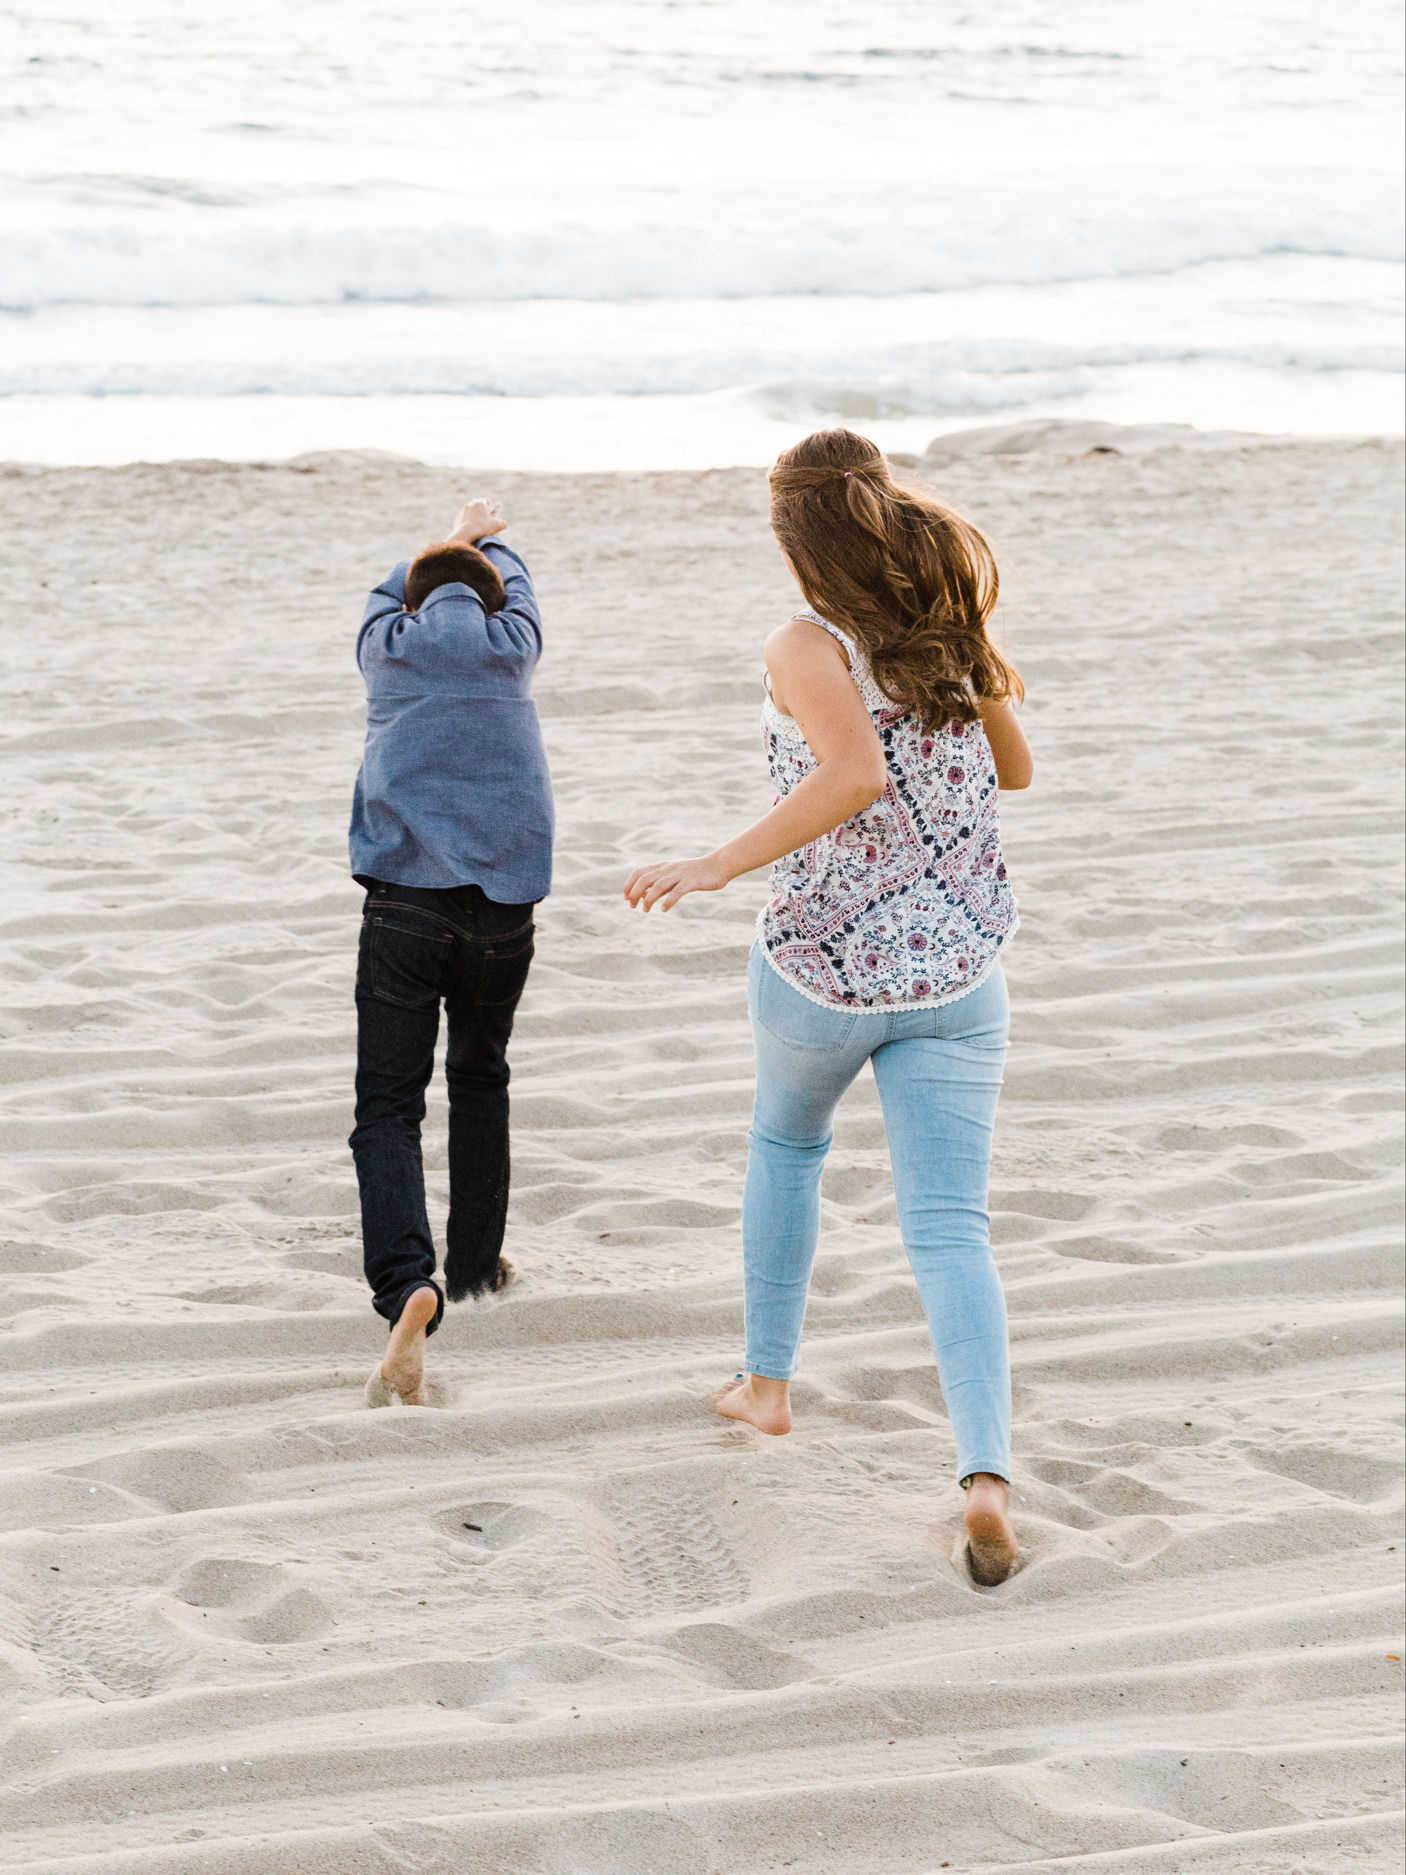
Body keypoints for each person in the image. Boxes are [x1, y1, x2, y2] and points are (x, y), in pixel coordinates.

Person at [624, 429, 1032, 1584]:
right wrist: (970, 654)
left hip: (822, 969)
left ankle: (764, 1387)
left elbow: (851, 773)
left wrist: (714, 862)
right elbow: (1013, 771)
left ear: (792, 535)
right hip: (956, 971)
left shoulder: (806, 645)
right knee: (951, 1228)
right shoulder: (938, 631)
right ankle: (985, 1473)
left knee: (785, 1146)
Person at [349, 497, 552, 1407]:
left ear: (410, 608)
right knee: (481, 1076)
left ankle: (410, 1286)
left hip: (403, 908)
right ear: (497, 603)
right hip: (502, 912)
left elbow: (389, 585)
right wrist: (488, 533)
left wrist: (449, 531)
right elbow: (522, 590)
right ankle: (473, 1264)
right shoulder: (514, 651)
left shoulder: (386, 653)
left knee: (388, 1108)